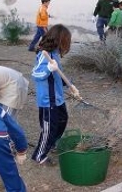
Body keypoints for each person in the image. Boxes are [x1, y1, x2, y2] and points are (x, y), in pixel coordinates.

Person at [31, 24, 79, 166]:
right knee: (49, 129)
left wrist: (70, 85)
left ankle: (51, 143)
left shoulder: (55, 54)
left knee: (62, 120)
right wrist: (47, 69)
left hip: (58, 98)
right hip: (48, 100)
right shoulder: (44, 55)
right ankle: (39, 155)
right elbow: (36, 74)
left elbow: (58, 75)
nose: (67, 44)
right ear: (59, 39)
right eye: (66, 40)